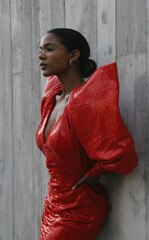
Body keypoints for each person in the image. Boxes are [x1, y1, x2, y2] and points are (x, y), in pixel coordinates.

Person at [36, 28, 138, 239]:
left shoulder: (86, 100)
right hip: (52, 204)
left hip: (79, 207)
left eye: (50, 49)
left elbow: (121, 151)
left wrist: (94, 173)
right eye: (41, 49)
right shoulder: (50, 100)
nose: (41, 55)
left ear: (74, 55)